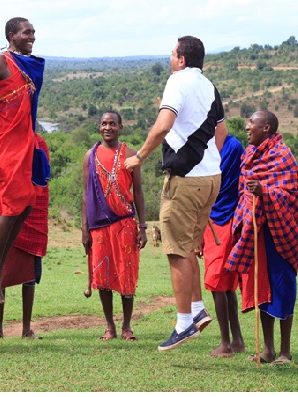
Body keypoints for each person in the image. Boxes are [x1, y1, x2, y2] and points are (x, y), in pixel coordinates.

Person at [124, 35, 228, 351]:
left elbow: (162, 126)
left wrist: (139, 156)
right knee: (189, 246)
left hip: (185, 181)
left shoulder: (177, 82)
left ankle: (183, 323)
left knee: (176, 250)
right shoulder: (209, 86)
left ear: (182, 59)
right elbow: (221, 133)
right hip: (212, 177)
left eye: (172, 54)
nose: (170, 59)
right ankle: (196, 309)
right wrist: (206, 160)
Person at [0, 17, 45, 303]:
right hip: (2, 144)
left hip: (24, 141)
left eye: (33, 33)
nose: (33, 37)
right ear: (11, 35)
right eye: (27, 33)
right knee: (12, 206)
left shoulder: (30, 64)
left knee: (27, 203)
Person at [225, 110, 298, 365]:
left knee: (283, 288)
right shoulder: (248, 156)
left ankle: (285, 352)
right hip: (255, 231)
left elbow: (292, 195)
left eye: (252, 123)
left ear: (266, 127)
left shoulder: (283, 156)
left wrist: (265, 191)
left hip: (279, 233)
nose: (247, 127)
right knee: (262, 289)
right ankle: (268, 350)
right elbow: (242, 192)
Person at [82, 111, 147, 341]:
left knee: (126, 274)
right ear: (99, 127)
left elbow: (138, 192)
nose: (107, 127)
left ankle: (127, 326)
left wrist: (143, 226)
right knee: (103, 276)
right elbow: (85, 195)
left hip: (125, 223)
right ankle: (109, 325)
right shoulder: (90, 156)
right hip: (99, 226)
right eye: (103, 123)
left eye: (112, 123)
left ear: (121, 127)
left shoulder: (131, 155)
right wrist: (84, 229)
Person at [0, 133, 49, 339]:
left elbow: (42, 177)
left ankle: (26, 328)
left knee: (29, 275)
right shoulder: (2, 138)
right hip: (5, 209)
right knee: (1, 270)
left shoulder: (39, 143)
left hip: (30, 209)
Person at [196, 134, 245, 357]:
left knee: (217, 282)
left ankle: (225, 343)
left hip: (225, 219)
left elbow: (211, 184)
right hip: (210, 219)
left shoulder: (232, 146)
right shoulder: (203, 143)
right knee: (224, 284)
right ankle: (237, 340)